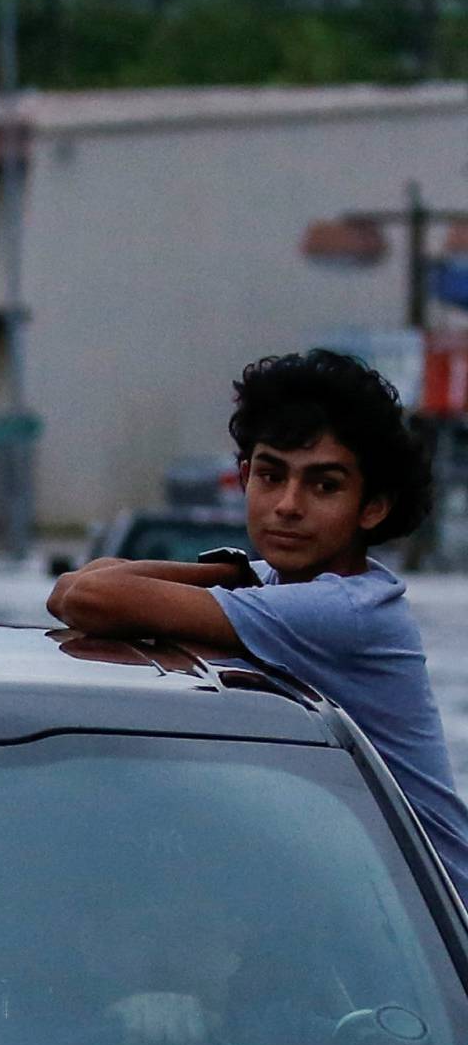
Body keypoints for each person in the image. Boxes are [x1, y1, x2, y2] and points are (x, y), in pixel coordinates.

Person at [47, 347, 468, 901]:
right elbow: (78, 586)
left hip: (434, 920)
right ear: (244, 477)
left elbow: (91, 597)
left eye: (324, 486)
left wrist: (230, 574)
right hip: (364, 889)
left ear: (373, 507)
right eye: (270, 476)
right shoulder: (280, 586)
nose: (287, 506)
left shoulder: (346, 612)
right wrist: (235, 570)